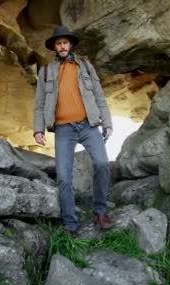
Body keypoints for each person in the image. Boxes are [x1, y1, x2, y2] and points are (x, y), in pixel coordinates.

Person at [33, 25, 113, 235]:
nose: (62, 46)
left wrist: (107, 122)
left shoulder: (85, 65)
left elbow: (99, 95)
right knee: (63, 177)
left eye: (65, 42)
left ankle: (100, 210)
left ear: (70, 44)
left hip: (88, 125)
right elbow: (39, 103)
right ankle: (70, 223)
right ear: (54, 47)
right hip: (63, 130)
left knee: (102, 163)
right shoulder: (46, 71)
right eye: (58, 43)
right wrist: (38, 129)